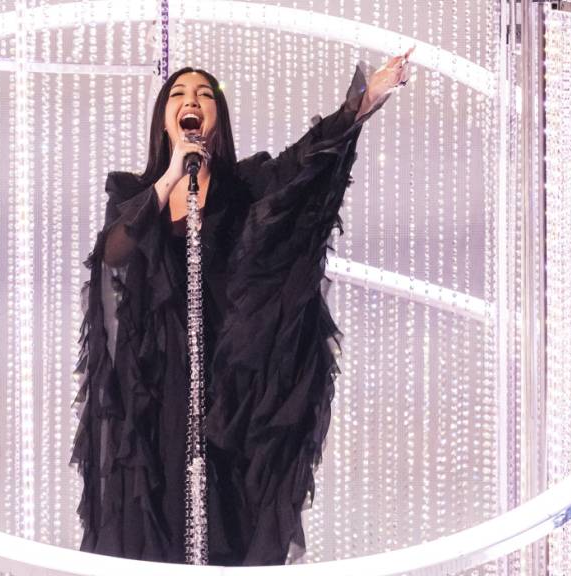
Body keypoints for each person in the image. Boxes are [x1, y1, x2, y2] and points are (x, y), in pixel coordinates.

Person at [71, 47, 415, 566]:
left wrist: (362, 103)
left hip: (231, 384)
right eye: (181, 95)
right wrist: (170, 176)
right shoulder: (136, 193)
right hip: (156, 382)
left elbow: (305, 165)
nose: (193, 101)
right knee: (157, 510)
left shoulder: (245, 187)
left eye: (205, 95)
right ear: (166, 118)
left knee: (232, 510)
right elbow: (114, 253)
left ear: (217, 120)